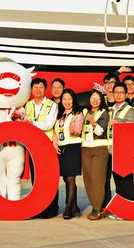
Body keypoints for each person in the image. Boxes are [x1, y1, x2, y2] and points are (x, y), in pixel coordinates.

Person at [26, 78, 60, 218]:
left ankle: (52, 208)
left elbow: (48, 124)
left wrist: (31, 123)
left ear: (45, 89)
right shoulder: (27, 105)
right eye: (35, 87)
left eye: (40, 87)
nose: (38, 90)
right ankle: (38, 207)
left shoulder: (52, 105)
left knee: (49, 178)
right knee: (36, 178)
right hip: (32, 145)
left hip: (47, 144)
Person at [106, 83, 134, 215]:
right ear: (112, 94)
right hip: (111, 150)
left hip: (124, 151)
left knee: (126, 182)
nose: (118, 95)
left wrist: (118, 121)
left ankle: (130, 209)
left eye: (121, 92)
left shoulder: (130, 110)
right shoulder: (109, 110)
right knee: (118, 182)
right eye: (116, 92)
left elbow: (130, 127)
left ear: (126, 95)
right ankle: (122, 210)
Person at [81, 90, 113, 220]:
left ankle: (98, 208)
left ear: (101, 100)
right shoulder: (84, 112)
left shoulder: (104, 113)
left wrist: (93, 122)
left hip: (99, 148)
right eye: (92, 97)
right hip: (85, 148)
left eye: (97, 98)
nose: (95, 100)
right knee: (88, 179)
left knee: (97, 179)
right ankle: (94, 204)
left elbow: (100, 132)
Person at [54, 89, 83, 219]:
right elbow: (55, 132)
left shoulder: (77, 114)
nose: (67, 102)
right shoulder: (59, 115)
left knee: (71, 179)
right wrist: (55, 143)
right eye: (64, 99)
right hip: (61, 147)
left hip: (73, 147)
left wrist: (73, 127)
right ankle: (74, 207)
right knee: (66, 178)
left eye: (69, 99)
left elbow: (77, 130)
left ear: (73, 100)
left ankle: (67, 209)